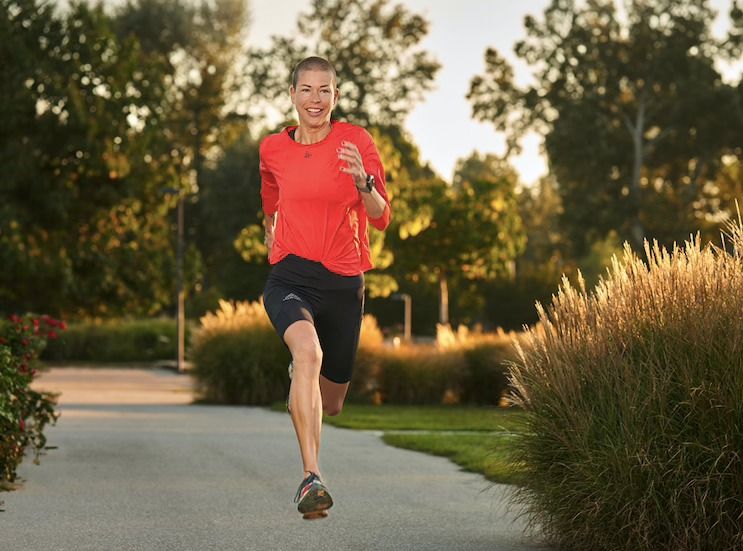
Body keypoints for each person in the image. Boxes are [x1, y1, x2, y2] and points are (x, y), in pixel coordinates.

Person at [259, 56, 391, 519]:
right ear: (291, 94)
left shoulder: (357, 142)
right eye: (306, 90)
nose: (315, 99)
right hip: (291, 276)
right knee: (308, 353)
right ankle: (310, 478)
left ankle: (304, 376)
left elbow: (381, 214)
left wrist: (363, 182)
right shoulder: (272, 149)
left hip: (343, 282)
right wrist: (272, 231)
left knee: (332, 403)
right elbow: (270, 199)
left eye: (324, 91)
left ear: (336, 96)